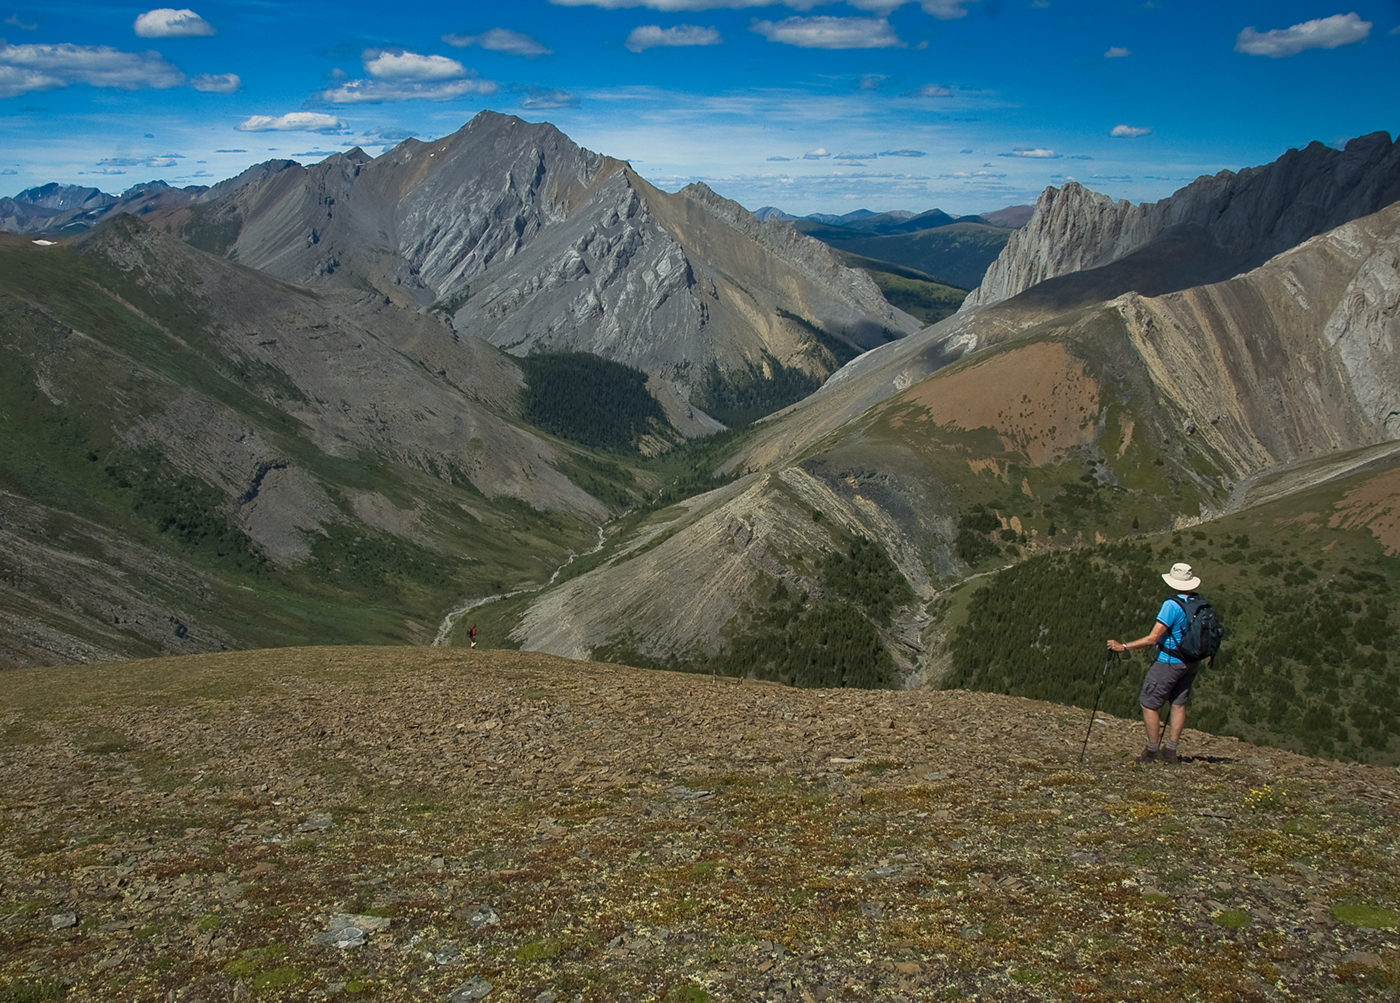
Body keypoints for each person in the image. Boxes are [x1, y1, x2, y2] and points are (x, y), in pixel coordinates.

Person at [1106, 562, 1203, 764]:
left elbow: (1153, 638)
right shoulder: (1197, 603)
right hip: (1191, 662)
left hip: (1168, 662)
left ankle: (1152, 751)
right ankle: (1171, 751)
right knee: (1178, 704)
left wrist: (1123, 646)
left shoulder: (1172, 605)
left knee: (1149, 703)